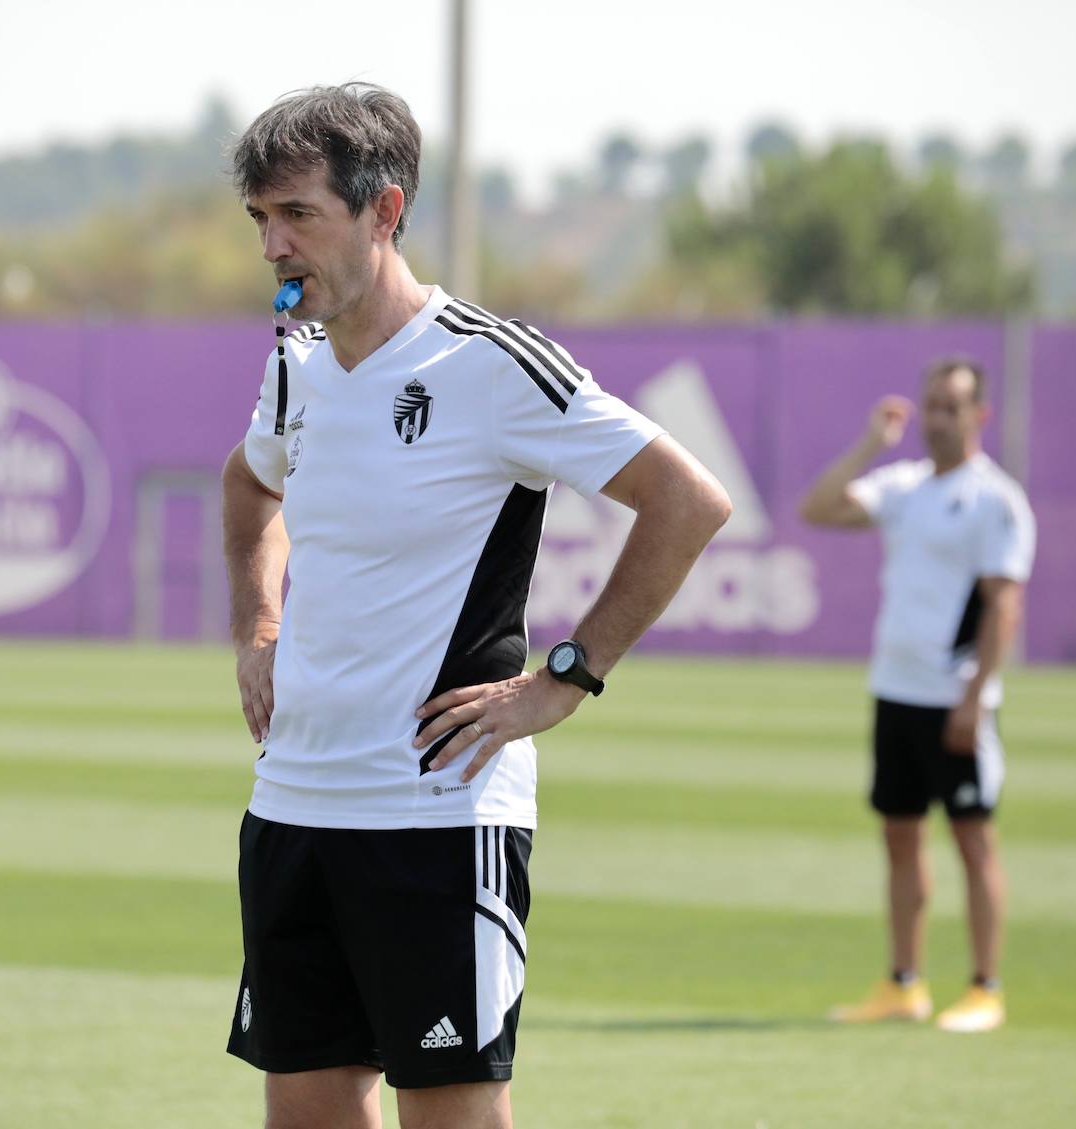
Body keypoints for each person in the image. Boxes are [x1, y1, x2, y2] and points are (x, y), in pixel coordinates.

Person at [221, 83, 732, 1129]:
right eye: (259, 219)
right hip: (293, 807)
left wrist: (568, 676)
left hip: (436, 815)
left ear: (384, 209)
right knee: (305, 1114)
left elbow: (688, 500)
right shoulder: (297, 364)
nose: (273, 244)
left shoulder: (491, 363)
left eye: (298, 215)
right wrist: (257, 630)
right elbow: (247, 485)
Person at [799, 358, 1036, 1034]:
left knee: (973, 839)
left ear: (978, 416)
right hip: (895, 690)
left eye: (951, 407)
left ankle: (986, 986)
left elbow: (1004, 605)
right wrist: (873, 442)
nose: (937, 418)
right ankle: (904, 982)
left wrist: (974, 697)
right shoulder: (904, 485)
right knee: (900, 836)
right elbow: (817, 508)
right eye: (931, 405)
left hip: (954, 698)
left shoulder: (995, 500)